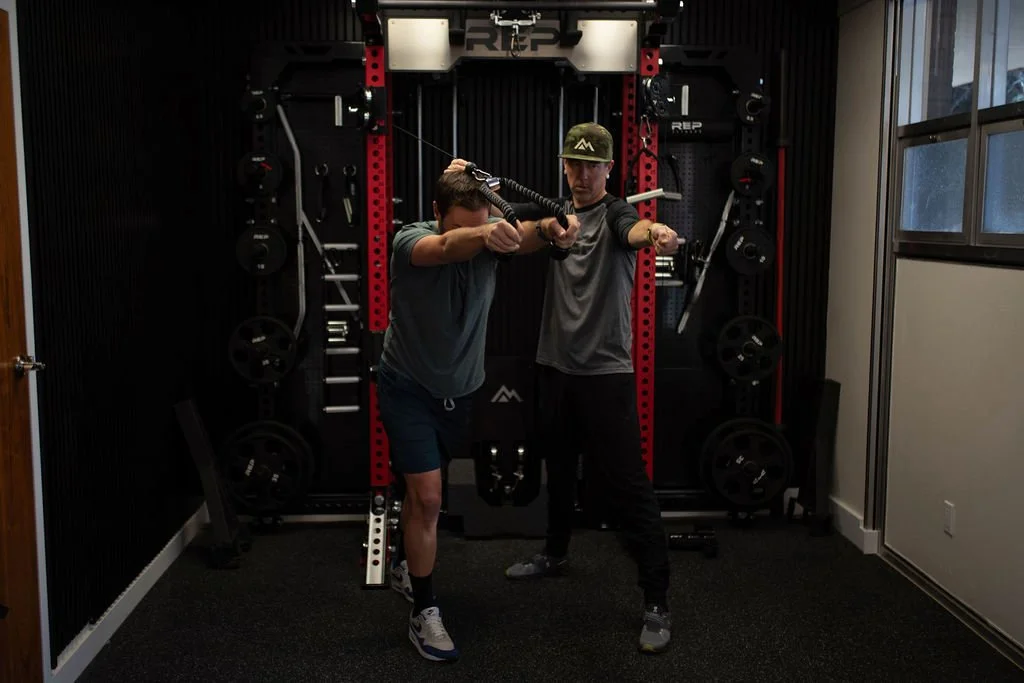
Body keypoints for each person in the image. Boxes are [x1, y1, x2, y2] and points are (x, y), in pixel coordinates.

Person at [447, 122, 682, 655]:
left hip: (604, 375)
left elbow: (636, 229)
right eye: (573, 164)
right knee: (556, 465)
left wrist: (657, 233)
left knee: (627, 485)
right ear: (564, 165)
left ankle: (657, 599)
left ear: (608, 169)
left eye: (591, 165)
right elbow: (508, 224)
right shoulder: (555, 217)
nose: (581, 174)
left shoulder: (617, 213)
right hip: (553, 367)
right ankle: (555, 553)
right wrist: (469, 179)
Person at [379, 169, 580, 662]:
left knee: (418, 489)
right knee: (428, 498)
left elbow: (525, 235)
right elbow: (447, 249)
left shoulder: (494, 239)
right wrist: (484, 233)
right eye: (467, 224)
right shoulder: (410, 240)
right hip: (407, 388)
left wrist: (552, 229)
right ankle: (424, 613)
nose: (485, 230)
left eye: (487, 220)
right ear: (436, 213)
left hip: (462, 393)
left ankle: (404, 559)